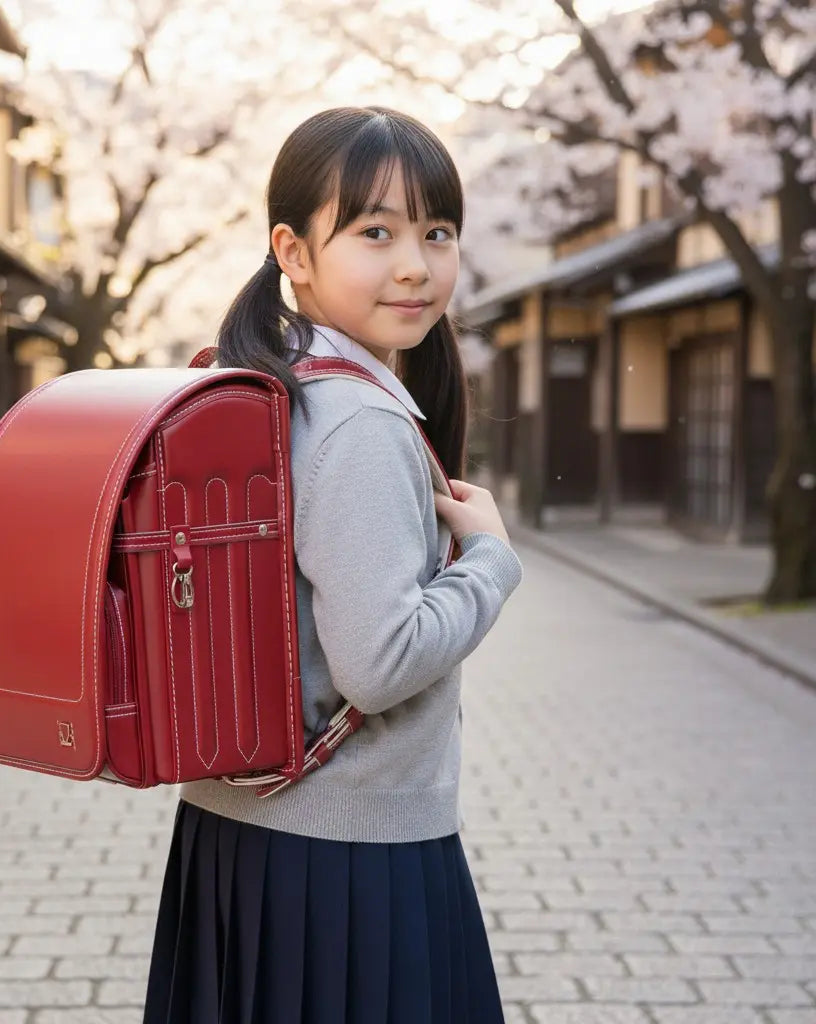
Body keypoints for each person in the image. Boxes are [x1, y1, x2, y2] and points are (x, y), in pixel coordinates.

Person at [143, 106, 523, 1024]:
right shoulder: (359, 424)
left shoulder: (270, 384)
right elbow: (380, 660)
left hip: (243, 837)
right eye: (375, 231)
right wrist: (491, 562)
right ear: (295, 252)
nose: (414, 264)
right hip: (350, 857)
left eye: (437, 232)